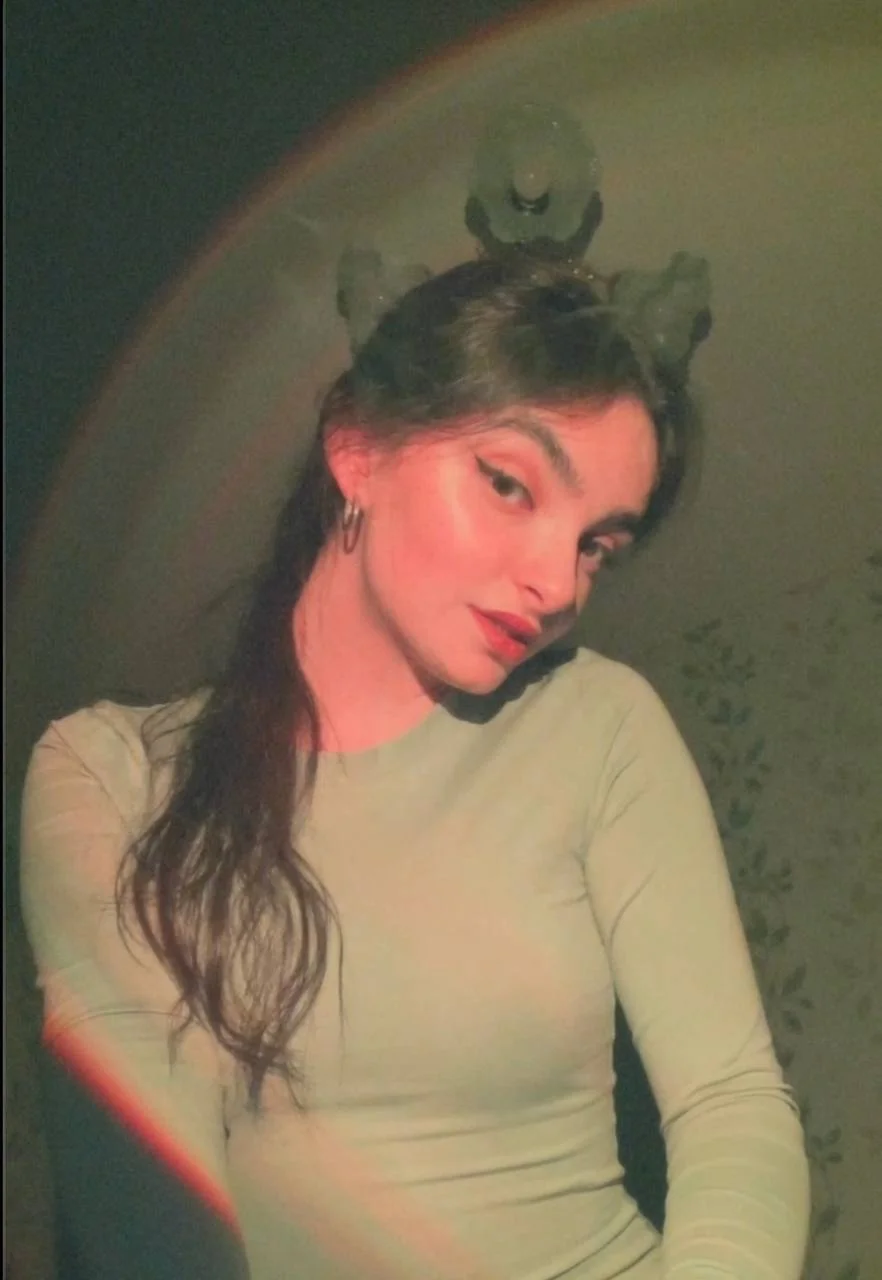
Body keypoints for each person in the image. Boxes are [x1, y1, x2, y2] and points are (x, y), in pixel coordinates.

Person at [20, 254, 810, 1280]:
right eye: (510, 484)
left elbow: (730, 1103)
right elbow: (146, 1210)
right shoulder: (109, 774)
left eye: (597, 546)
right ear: (357, 448)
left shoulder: (599, 723)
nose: (556, 582)